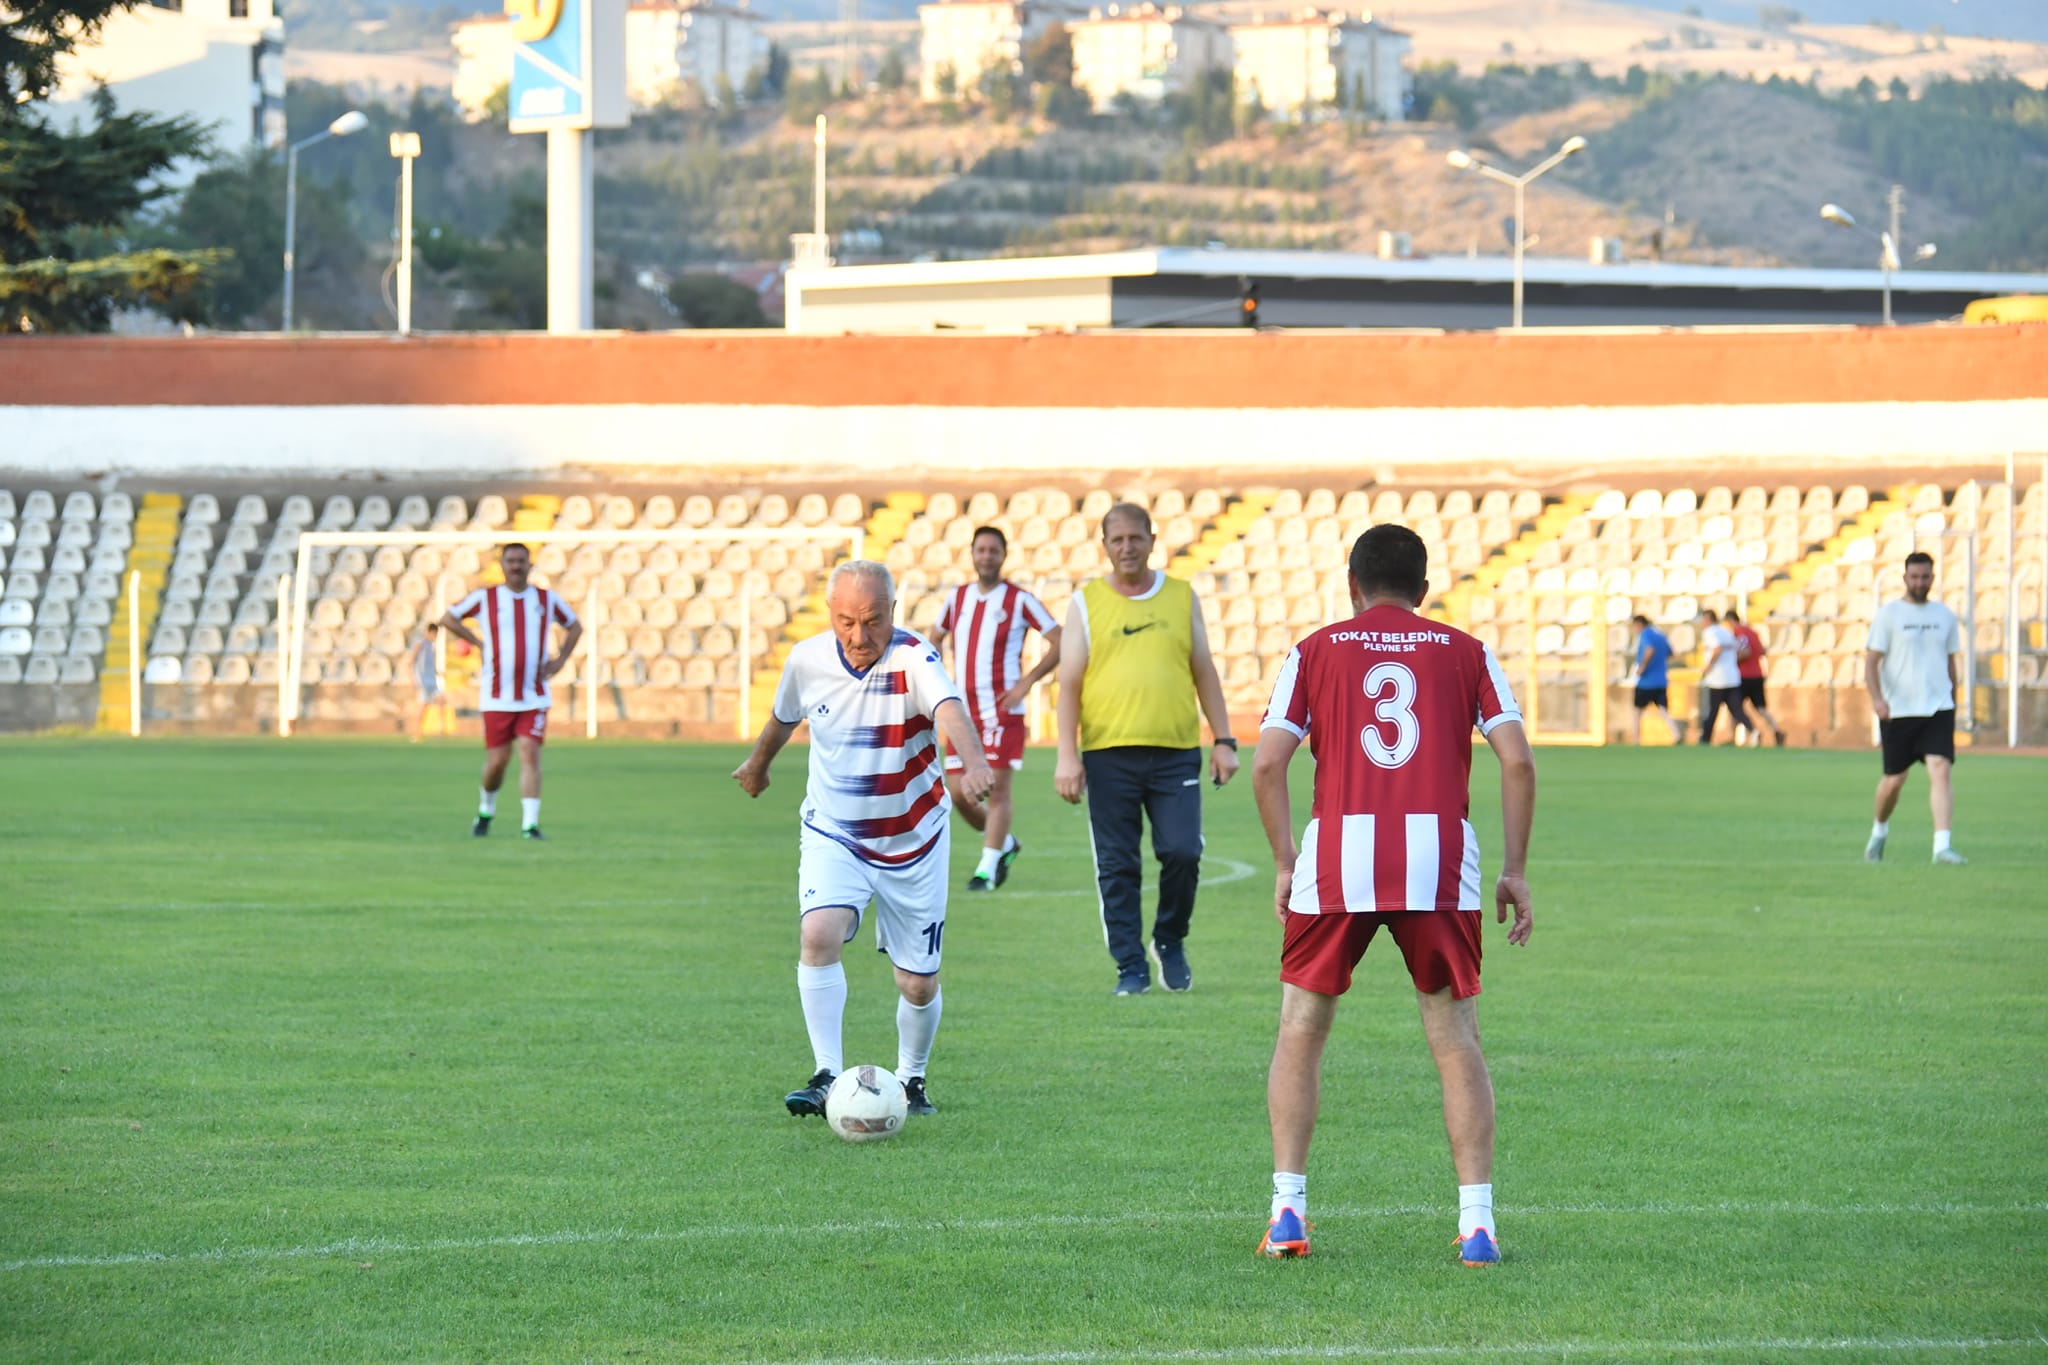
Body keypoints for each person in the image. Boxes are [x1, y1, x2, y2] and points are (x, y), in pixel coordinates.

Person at [1251, 525, 1535, 1265]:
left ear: (1353, 586)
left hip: (1338, 857)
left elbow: (1268, 765)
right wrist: (1515, 869)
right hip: (1437, 858)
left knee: (1301, 1031)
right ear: (1424, 589)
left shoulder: (1314, 650)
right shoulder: (1467, 651)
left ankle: (1288, 1211)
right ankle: (1478, 1223)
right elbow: (1517, 762)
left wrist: (1285, 861)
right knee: (1456, 1039)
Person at [731, 561, 995, 1118]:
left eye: (873, 621)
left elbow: (949, 709)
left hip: (914, 839)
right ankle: (827, 1073)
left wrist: (973, 763)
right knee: (818, 933)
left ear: (892, 613)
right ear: (831, 614)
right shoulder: (807, 659)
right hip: (836, 831)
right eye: (847, 621)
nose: (859, 635)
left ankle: (912, 1078)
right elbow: (784, 716)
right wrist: (757, 764)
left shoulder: (914, 657)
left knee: (917, 984)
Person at [1054, 503, 1239, 996]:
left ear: (1152, 541)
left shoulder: (1180, 596)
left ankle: (1169, 939)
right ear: (1105, 546)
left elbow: (1204, 669)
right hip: (1107, 753)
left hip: (1176, 751)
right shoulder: (1085, 602)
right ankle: (1130, 967)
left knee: (1183, 851)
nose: (1127, 547)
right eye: (1117, 539)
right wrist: (1067, 755)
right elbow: (1068, 684)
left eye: (1135, 538)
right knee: (1118, 866)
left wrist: (1223, 740)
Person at [927, 526, 1061, 891]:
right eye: (981, 550)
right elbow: (934, 637)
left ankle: (986, 871)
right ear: (972, 554)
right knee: (959, 793)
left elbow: (1059, 639)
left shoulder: (1019, 600)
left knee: (997, 790)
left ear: (1004, 556)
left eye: (993, 551)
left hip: (1001, 711)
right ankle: (1005, 843)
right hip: (962, 713)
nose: (986, 556)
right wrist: (936, 681)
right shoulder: (957, 598)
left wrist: (1026, 683)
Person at [439, 543, 581, 840]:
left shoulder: (546, 599)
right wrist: (477, 643)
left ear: (530, 565)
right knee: (498, 761)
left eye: (521, 561)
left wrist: (560, 660)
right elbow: (449, 618)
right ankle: (486, 810)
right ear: (502, 565)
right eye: (511, 561)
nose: (516, 566)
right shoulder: (486, 598)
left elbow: (575, 626)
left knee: (530, 751)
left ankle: (530, 825)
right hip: (496, 696)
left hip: (534, 695)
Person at [1864, 551, 1966, 865]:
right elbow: (1871, 662)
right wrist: (1877, 699)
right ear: (1905, 578)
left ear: (1932, 578)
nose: (1920, 582)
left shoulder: (1944, 616)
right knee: (1894, 780)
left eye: (1925, 577)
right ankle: (1879, 831)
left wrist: (1954, 700)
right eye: (1914, 577)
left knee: (1941, 769)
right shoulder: (1888, 615)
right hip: (1899, 710)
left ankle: (1941, 847)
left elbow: (1950, 662)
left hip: (1938, 708)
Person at [1723, 609, 1786, 747]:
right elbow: (1762, 651)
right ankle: (1777, 730)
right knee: (1761, 708)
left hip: (1743, 676)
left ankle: (1733, 736)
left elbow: (1745, 652)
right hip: (1757, 674)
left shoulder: (1739, 633)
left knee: (1735, 707)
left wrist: (1731, 660)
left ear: (1730, 621)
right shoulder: (1753, 632)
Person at [1628, 614, 1685, 745]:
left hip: (1646, 681)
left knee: (1637, 711)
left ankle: (1636, 740)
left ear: (1639, 624)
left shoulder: (1645, 635)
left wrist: (1642, 666)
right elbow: (1671, 653)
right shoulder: (1660, 635)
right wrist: (1659, 662)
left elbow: (1650, 650)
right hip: (1661, 680)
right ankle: (1676, 735)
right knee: (1663, 710)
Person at [1694, 607, 1747, 745]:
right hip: (1732, 677)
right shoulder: (1726, 631)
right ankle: (1753, 729)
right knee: (1736, 710)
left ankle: (1705, 738)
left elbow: (1717, 649)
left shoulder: (1710, 632)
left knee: (1712, 710)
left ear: (1708, 620)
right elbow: (1741, 649)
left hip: (1717, 679)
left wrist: (1708, 666)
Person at [405, 622, 447, 743]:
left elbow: (430, 665)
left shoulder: (432, 647)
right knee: (423, 707)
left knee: (441, 700)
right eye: (434, 634)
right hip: (422, 681)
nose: (435, 636)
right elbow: (410, 662)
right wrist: (412, 680)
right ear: (429, 632)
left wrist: (439, 672)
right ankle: (417, 733)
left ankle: (440, 730)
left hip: (432, 680)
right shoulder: (420, 644)